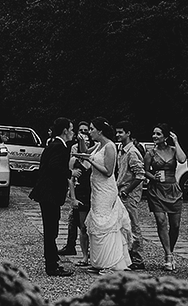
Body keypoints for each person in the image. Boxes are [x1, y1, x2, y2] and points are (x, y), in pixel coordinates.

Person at [73, 117, 131, 273]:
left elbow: (108, 171)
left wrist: (91, 161)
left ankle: (110, 262)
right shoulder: (99, 145)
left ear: (100, 131)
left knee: (104, 223)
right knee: (96, 222)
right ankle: (98, 262)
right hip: (96, 189)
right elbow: (85, 152)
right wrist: (81, 142)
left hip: (106, 189)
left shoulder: (110, 146)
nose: (90, 132)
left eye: (92, 129)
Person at [30, 116, 75, 277]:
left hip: (48, 193)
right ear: (65, 130)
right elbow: (54, 167)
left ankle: (53, 259)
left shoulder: (54, 144)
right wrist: (70, 172)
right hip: (50, 194)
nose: (73, 132)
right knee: (51, 230)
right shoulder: (59, 147)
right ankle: (51, 266)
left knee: (51, 228)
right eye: (71, 129)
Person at [143, 122, 187, 271]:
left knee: (175, 225)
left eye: (158, 134)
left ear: (166, 136)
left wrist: (176, 141)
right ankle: (168, 255)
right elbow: (145, 171)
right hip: (156, 190)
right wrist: (153, 177)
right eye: (154, 133)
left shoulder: (174, 150)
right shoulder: (150, 153)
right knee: (161, 221)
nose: (154, 136)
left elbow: (182, 160)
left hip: (173, 189)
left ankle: (170, 251)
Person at [115, 120, 147, 270]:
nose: (118, 134)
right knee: (124, 224)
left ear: (128, 133)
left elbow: (140, 175)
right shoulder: (121, 150)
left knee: (133, 225)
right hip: (122, 191)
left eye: (121, 132)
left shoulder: (132, 152)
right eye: (117, 132)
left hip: (129, 194)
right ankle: (127, 255)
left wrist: (126, 191)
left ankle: (138, 258)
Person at [67, 120, 95, 266]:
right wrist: (73, 198)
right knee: (83, 227)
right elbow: (70, 180)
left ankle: (95, 254)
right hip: (81, 194)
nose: (85, 145)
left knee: (94, 226)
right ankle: (84, 256)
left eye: (87, 142)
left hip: (94, 194)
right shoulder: (74, 160)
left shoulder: (94, 158)